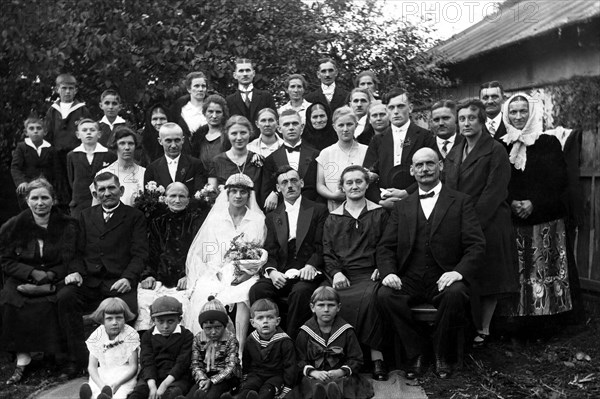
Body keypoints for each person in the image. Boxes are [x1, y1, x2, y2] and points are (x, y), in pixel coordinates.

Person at [376, 148, 485, 379]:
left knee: (455, 294)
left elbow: (476, 246)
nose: (424, 169)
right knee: (385, 296)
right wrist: (388, 272)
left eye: (430, 164)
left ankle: (441, 354)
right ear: (412, 171)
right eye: (419, 165)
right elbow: (386, 246)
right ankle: (416, 352)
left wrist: (458, 272)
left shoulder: (461, 202)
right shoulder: (402, 206)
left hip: (444, 276)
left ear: (440, 166)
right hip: (411, 277)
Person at [57, 172, 148, 377]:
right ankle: (76, 360)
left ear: (121, 190)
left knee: (128, 310)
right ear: (96, 193)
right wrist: (76, 272)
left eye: (111, 188)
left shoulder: (135, 217)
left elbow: (140, 253)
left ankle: (117, 363)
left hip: (118, 281)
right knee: (65, 297)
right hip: (89, 281)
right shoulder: (84, 216)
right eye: (102, 190)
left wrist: (128, 277)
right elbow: (74, 251)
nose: (107, 193)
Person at [444, 98, 518, 348]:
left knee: (489, 277)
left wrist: (472, 223)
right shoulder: (456, 149)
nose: (465, 123)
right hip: (463, 220)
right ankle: (469, 324)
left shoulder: (495, 149)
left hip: (490, 221)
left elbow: (494, 191)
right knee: (469, 274)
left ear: (482, 121)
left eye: (471, 118)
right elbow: (447, 184)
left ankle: (484, 328)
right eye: (462, 118)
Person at [0, 178, 78, 384]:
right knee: (10, 298)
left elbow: (72, 258)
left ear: (53, 200)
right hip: (22, 276)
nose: (40, 202)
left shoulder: (67, 225)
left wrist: (52, 275)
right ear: (27, 201)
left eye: (45, 197)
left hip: (57, 276)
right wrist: (32, 273)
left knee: (64, 297)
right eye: (35, 198)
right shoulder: (13, 226)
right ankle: (22, 359)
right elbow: (6, 261)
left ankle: (63, 357)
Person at [502, 93, 572, 316]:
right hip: (513, 220)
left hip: (544, 218)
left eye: (524, 111)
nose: (518, 116)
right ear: (507, 115)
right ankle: (518, 320)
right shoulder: (501, 147)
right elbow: (497, 181)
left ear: (532, 113)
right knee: (520, 271)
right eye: (513, 112)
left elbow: (559, 180)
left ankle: (547, 320)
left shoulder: (548, 142)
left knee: (543, 271)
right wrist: (511, 202)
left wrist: (534, 203)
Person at [185, 173, 267, 354]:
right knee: (204, 290)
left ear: (249, 195)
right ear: (227, 195)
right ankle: (206, 349)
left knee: (243, 292)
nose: (238, 196)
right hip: (217, 269)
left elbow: (257, 253)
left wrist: (243, 273)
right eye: (234, 192)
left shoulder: (257, 220)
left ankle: (238, 351)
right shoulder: (215, 220)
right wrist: (219, 271)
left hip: (246, 272)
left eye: (243, 192)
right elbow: (207, 252)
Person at [323, 165, 388, 381]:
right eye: (349, 183)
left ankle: (376, 357)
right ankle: (341, 358)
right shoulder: (333, 218)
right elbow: (328, 252)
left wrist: (383, 266)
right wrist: (336, 273)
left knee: (372, 299)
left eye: (359, 181)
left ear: (367, 184)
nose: (354, 186)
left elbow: (386, 245)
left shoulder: (379, 213)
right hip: (344, 275)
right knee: (331, 299)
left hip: (370, 274)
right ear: (342, 187)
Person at [249, 166, 328, 338]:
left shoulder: (318, 209)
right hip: (282, 271)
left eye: (293, 180)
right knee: (258, 289)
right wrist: (272, 271)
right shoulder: (272, 216)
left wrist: (311, 265)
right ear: (278, 188)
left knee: (300, 293)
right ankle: (269, 339)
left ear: (302, 183)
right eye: (284, 182)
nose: (290, 185)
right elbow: (270, 250)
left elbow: (322, 245)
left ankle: (291, 341)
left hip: (307, 271)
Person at [135, 182, 207, 331]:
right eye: (173, 196)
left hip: (185, 279)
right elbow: (150, 252)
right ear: (165, 199)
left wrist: (189, 275)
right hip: (160, 278)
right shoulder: (156, 222)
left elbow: (200, 254)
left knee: (186, 306)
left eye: (182, 196)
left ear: (188, 200)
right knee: (144, 300)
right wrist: (148, 275)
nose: (177, 200)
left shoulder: (196, 222)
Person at [363, 89, 437, 209]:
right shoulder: (377, 140)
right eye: (391, 107)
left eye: (401, 106)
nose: (396, 112)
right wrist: (380, 201)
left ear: (410, 108)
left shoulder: (425, 136)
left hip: (418, 203)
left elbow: (434, 172)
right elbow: (368, 175)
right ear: (387, 110)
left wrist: (406, 193)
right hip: (386, 205)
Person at [295, 287, 374, 399]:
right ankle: (319, 393)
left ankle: (334, 393)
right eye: (321, 305)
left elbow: (356, 359)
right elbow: (298, 359)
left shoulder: (346, 331)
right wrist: (313, 372)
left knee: (345, 382)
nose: (326, 309)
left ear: (338, 307)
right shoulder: (305, 332)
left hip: (339, 374)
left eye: (331, 305)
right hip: (315, 374)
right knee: (308, 383)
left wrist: (340, 372)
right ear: (312, 307)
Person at [221, 299, 296, 399]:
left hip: (275, 376)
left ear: (277, 321)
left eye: (270, 317)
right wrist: (245, 377)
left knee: (267, 390)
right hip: (256, 374)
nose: (265, 321)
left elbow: (290, 366)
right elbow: (246, 360)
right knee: (248, 387)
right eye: (260, 318)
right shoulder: (251, 339)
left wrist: (288, 386)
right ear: (253, 323)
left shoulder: (284, 341)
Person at [129, 296, 194, 399]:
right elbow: (147, 361)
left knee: (171, 394)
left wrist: (164, 385)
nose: (165, 326)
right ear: (153, 320)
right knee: (138, 394)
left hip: (176, 378)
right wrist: (152, 386)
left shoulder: (186, 335)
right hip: (151, 378)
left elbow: (182, 363)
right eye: (160, 321)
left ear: (179, 320)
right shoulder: (147, 336)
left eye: (170, 321)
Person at [79, 298, 139, 399]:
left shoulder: (130, 335)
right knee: (96, 385)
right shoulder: (97, 335)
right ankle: (91, 395)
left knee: (121, 391)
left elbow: (133, 367)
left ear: (125, 318)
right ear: (102, 320)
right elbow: (92, 367)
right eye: (109, 318)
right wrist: (101, 385)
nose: (115, 322)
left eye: (119, 318)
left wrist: (118, 383)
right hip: (105, 370)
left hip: (125, 372)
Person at [261, 109, 319, 211]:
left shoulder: (316, 154)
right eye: (286, 124)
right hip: (283, 212)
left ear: (302, 127)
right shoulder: (271, 159)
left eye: (295, 124)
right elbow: (266, 192)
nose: (291, 128)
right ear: (279, 129)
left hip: (313, 210)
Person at [187, 297, 241, 399]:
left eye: (217, 327)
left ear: (224, 326)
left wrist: (212, 381)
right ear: (202, 327)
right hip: (206, 375)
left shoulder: (230, 339)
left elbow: (231, 366)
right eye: (208, 328)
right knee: (194, 393)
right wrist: (202, 379)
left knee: (212, 395)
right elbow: (195, 363)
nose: (213, 332)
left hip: (225, 377)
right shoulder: (198, 338)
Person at [316, 107, 368, 211]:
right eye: (341, 125)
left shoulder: (366, 151)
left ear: (356, 125)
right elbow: (320, 184)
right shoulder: (326, 153)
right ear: (334, 127)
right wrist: (333, 196)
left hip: (363, 208)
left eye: (349, 124)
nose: (345, 129)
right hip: (335, 208)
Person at [66, 118, 117, 217]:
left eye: (92, 130)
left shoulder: (109, 155)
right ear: (78, 134)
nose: (88, 133)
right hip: (79, 204)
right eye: (84, 130)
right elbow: (71, 180)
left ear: (99, 134)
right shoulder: (72, 155)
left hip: (104, 203)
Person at [44, 73, 91, 177]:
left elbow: (89, 132)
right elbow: (48, 134)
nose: (68, 91)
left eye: (71, 88)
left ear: (76, 90)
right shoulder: (52, 111)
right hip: (57, 156)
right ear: (57, 89)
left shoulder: (82, 110)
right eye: (64, 88)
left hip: (77, 154)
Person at [208, 116, 264, 200]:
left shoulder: (258, 160)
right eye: (234, 133)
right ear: (227, 135)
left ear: (250, 133)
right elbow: (211, 193)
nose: (239, 138)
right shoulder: (217, 161)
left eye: (243, 133)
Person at [11, 116, 62, 208]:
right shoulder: (22, 148)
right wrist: (21, 182)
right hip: (28, 187)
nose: (35, 131)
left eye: (39, 128)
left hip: (47, 187)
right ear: (26, 132)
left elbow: (57, 172)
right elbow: (15, 167)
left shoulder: (50, 149)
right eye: (31, 128)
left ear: (45, 132)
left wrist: (56, 191)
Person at [144, 122, 207, 196]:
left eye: (177, 140)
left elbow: (199, 195)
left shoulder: (195, 164)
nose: (173, 145)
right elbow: (149, 199)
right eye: (168, 141)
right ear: (160, 141)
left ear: (183, 140)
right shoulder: (152, 168)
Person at [93, 127, 145, 206]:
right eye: (122, 143)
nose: (127, 148)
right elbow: (96, 206)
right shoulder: (103, 173)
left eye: (130, 143)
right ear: (115, 145)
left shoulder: (144, 172)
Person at [225, 58, 277, 135]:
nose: (245, 74)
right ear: (235, 75)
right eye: (241, 71)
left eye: (248, 70)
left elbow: (275, 120)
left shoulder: (266, 96)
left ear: (253, 73)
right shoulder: (229, 100)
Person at [191, 94, 230, 171]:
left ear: (224, 114)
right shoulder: (198, 137)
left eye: (218, 112)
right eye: (210, 111)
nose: (214, 116)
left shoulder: (229, 136)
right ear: (204, 112)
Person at [173, 72, 209, 153]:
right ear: (189, 89)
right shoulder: (180, 109)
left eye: (203, 86)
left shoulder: (212, 109)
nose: (200, 89)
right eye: (196, 86)